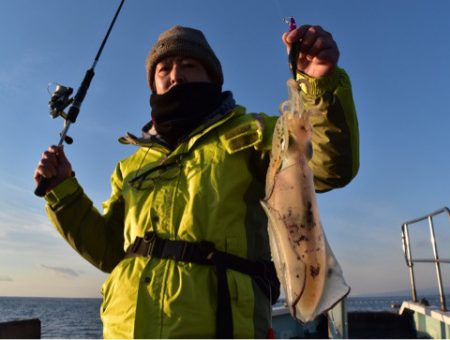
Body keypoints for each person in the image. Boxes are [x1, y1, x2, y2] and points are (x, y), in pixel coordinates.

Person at [34, 24, 359, 338]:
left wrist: (319, 84)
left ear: (212, 77)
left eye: (189, 65)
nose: (176, 75)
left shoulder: (255, 132)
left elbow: (328, 165)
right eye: (164, 70)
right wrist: (62, 191)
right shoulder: (130, 165)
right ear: (153, 85)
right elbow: (108, 251)